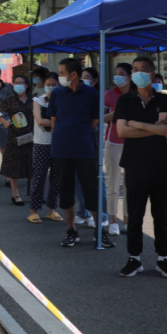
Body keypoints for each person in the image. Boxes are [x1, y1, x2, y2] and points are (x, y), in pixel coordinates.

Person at [114, 57, 167, 278]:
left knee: (161, 214)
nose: (138, 73)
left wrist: (139, 125)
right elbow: (122, 131)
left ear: (152, 75)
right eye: (135, 69)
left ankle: (163, 258)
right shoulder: (125, 100)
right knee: (135, 214)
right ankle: (134, 258)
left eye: (143, 69)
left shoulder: (164, 99)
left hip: (160, 164)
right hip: (134, 164)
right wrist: (155, 129)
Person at [49, 57, 112, 249]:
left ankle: (100, 231)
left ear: (73, 74)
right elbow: (53, 121)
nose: (60, 76)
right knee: (66, 191)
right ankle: (71, 230)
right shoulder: (57, 93)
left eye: (62, 73)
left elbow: (94, 121)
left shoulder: (91, 93)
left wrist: (78, 133)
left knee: (91, 190)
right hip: (61, 149)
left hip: (85, 149)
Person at [0, 74, 35, 207]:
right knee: (14, 166)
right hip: (14, 137)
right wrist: (4, 121)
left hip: (32, 136)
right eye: (15, 83)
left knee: (33, 165)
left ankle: (35, 194)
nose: (17, 85)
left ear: (26, 85)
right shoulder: (10, 99)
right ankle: (15, 194)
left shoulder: (34, 99)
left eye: (20, 83)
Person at [103, 62, 133, 236]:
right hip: (113, 143)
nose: (117, 76)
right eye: (116, 73)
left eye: (121, 73)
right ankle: (113, 221)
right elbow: (101, 117)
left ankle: (127, 221)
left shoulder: (136, 94)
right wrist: (118, 112)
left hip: (132, 143)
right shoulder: (109, 94)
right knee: (112, 184)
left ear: (129, 77)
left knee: (130, 185)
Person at [28, 73, 62, 223]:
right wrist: (58, 122)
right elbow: (40, 121)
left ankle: (52, 210)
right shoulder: (38, 100)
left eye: (54, 85)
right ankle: (33, 211)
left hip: (58, 143)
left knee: (56, 178)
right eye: (48, 84)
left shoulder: (62, 100)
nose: (51, 87)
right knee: (39, 177)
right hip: (41, 143)